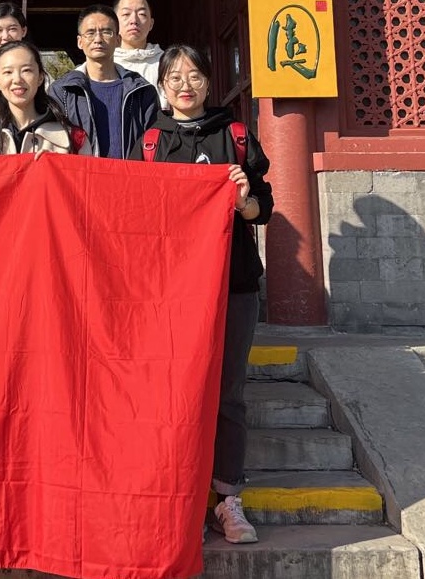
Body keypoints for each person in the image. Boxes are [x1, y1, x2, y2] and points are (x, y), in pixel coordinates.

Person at [130, 44, 272, 545]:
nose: (185, 85)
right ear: (162, 87)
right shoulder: (150, 142)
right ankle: (177, 496)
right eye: (174, 77)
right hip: (169, 290)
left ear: (209, 82)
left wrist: (242, 201)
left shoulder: (234, 135)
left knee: (228, 393)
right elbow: (135, 214)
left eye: (194, 76)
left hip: (233, 283)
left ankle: (227, 499)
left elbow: (264, 208)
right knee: (172, 393)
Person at [50, 4, 157, 159]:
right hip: (81, 173)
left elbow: (153, 144)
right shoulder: (62, 91)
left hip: (130, 173)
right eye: (90, 33)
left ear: (118, 40)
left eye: (106, 32)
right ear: (80, 42)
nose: (98, 39)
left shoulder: (141, 89)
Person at [0, 41, 78, 156]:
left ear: (40, 78)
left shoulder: (73, 137)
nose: (17, 79)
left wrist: (57, 164)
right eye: (8, 72)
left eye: (26, 70)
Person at [113, 0, 165, 86]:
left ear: (151, 24)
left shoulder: (166, 62)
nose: (134, 20)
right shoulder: (106, 63)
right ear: (114, 23)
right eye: (126, 14)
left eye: (142, 14)